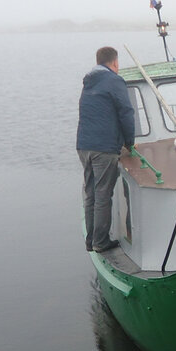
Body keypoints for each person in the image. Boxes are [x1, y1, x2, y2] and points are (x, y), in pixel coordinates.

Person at [76, 46, 135, 253]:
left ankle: (90, 240)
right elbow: (126, 111)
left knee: (91, 193)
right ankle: (100, 242)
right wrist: (130, 142)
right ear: (115, 63)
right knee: (102, 195)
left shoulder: (89, 82)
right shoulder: (114, 81)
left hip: (84, 146)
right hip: (104, 147)